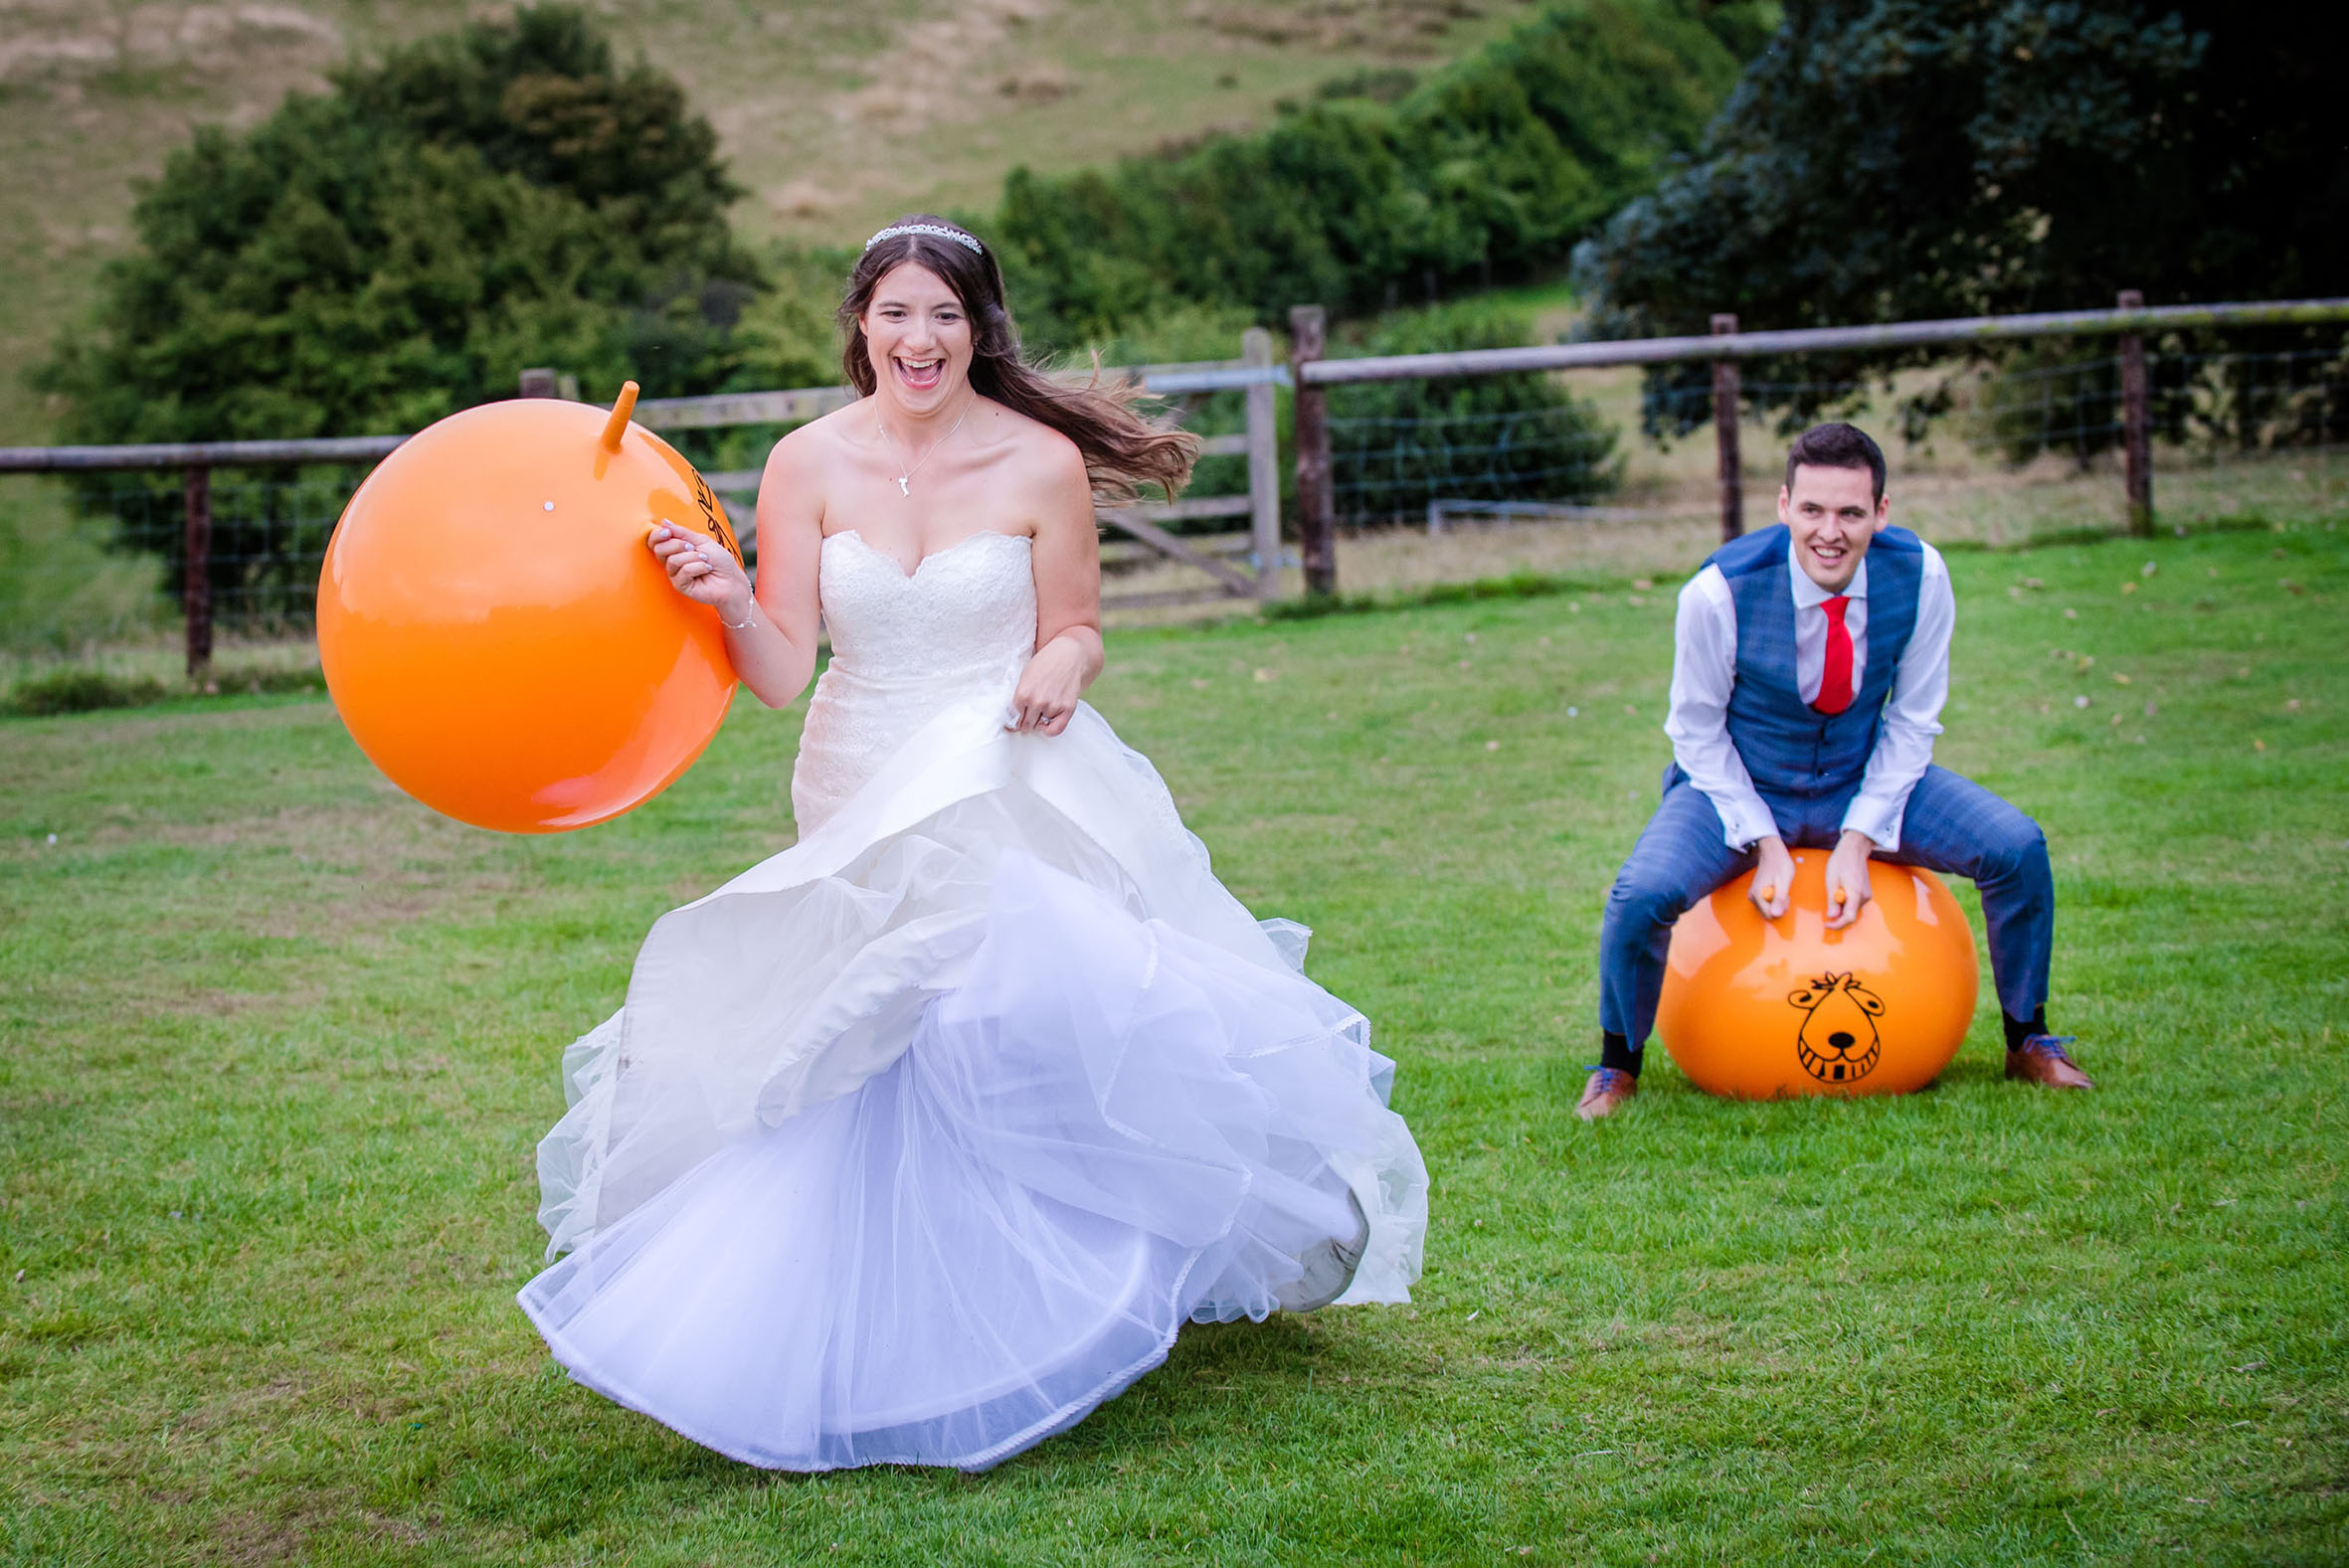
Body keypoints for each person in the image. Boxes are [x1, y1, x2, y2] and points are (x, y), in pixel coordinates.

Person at [515, 216, 1428, 1471]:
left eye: (944, 314)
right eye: (895, 313)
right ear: (861, 330)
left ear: (979, 329)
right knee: (864, 1051)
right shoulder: (804, 464)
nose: (919, 337)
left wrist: (1057, 659)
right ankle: (882, 1319)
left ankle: (1041, 1293)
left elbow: (1081, 627)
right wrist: (727, 595)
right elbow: (781, 673)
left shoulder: (1039, 463)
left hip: (1005, 770)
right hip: (852, 778)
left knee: (987, 1026)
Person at [1578, 422, 2091, 1121]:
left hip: (1862, 773)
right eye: (1813, 510)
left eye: (1851, 512)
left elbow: (1913, 721)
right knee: (1640, 894)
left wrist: (1857, 839)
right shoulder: (1716, 593)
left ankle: (2028, 1038)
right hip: (1738, 784)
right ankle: (1617, 1066)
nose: (1831, 531)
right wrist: (1762, 840)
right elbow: (1694, 732)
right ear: (1784, 504)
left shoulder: (1922, 575)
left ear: (1881, 513)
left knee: (2017, 847)